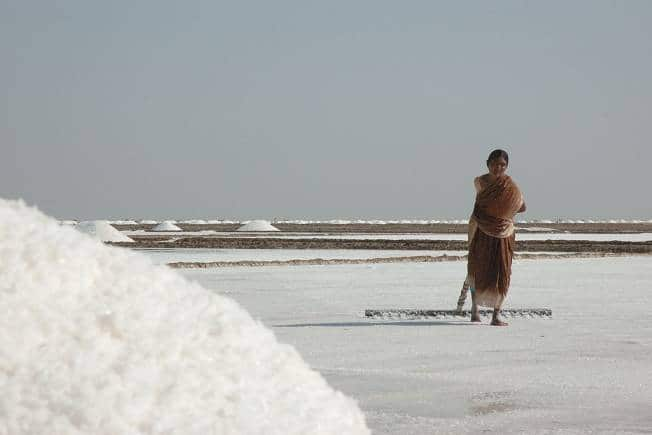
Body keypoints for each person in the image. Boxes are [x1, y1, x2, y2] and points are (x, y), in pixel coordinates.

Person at [456, 149, 526, 326]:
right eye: (495, 164)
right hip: (481, 230)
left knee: (502, 271)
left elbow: (522, 206)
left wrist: (506, 209)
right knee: (476, 269)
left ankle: (496, 314)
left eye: (502, 165)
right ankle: (474, 309)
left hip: (504, 233)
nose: (498, 168)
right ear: (488, 164)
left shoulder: (511, 186)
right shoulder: (480, 182)